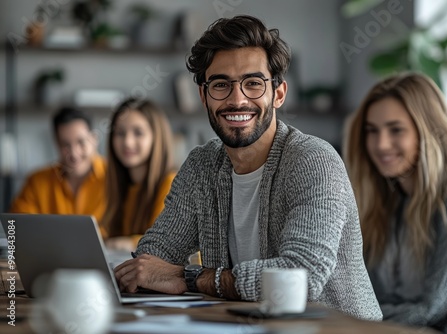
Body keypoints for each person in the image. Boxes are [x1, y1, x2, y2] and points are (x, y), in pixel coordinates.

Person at [114, 15, 382, 320]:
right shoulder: (202, 166)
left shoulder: (313, 160)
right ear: (203, 96)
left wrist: (192, 277)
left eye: (253, 83)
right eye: (221, 85)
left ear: (278, 94)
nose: (237, 99)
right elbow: (152, 261)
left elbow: (300, 277)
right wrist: (155, 273)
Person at [343, 72, 447, 332]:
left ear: (428, 130)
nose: (381, 144)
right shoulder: (389, 200)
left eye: (396, 130)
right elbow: (364, 297)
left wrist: (354, 321)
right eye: (372, 131)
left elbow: (433, 308)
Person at [102, 97, 176, 252]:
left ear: (156, 137)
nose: (127, 142)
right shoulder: (121, 186)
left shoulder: (171, 184)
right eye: (120, 133)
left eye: (138, 133)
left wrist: (123, 243)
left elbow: (164, 243)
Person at [10, 106, 106, 224]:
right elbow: (15, 230)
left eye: (81, 142)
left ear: (94, 139)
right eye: (65, 144)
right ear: (56, 144)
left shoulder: (116, 177)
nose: (74, 153)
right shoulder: (36, 182)